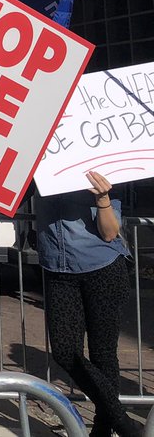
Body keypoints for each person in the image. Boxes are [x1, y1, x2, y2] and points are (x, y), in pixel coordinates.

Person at [35, 173, 141, 437]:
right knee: (65, 351)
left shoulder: (100, 169)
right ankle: (124, 424)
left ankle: (104, 428)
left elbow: (109, 233)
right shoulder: (41, 167)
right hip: (58, 270)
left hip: (102, 267)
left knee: (103, 354)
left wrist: (102, 198)